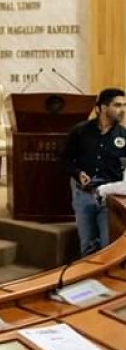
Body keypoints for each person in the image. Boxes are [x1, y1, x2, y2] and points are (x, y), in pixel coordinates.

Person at [63, 88, 126, 256]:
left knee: (108, 247)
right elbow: (64, 161)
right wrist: (78, 173)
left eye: (124, 105)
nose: (123, 110)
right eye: (117, 105)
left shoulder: (124, 136)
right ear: (103, 108)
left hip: (110, 201)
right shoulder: (80, 131)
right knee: (87, 246)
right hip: (83, 196)